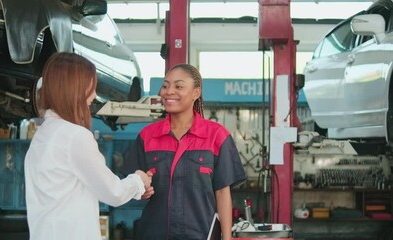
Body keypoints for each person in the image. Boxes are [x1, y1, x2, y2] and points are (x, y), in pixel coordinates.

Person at [24, 52, 152, 240]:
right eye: (91, 87)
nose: (93, 95)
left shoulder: (43, 134)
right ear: (75, 89)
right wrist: (139, 180)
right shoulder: (75, 136)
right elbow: (113, 192)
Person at [123, 63, 246, 240]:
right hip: (154, 234)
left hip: (200, 234)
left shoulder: (217, 136)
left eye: (179, 86)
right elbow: (130, 184)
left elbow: (222, 193)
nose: (169, 91)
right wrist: (141, 191)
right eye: (165, 86)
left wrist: (226, 238)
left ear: (196, 93)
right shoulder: (147, 137)